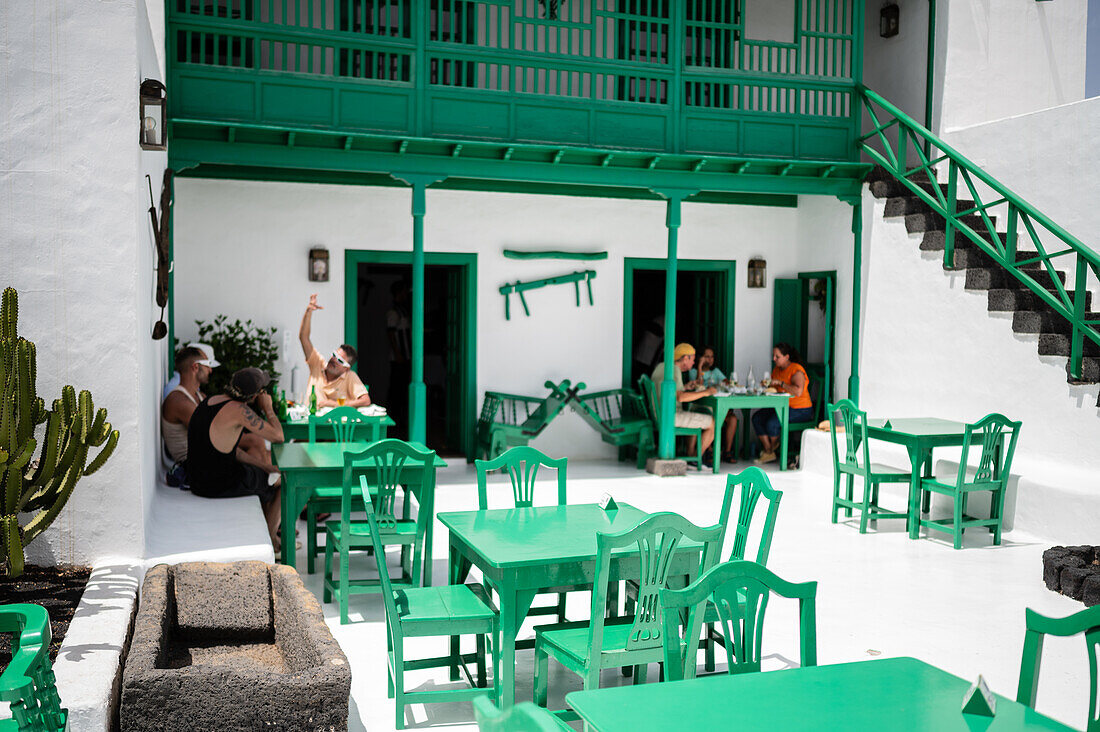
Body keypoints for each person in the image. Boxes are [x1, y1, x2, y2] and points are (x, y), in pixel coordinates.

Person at [186, 367, 286, 548]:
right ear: (255, 395)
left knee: (265, 472)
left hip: (198, 479)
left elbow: (231, 451)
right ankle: (272, 540)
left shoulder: (211, 401)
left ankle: (268, 531)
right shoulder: (239, 411)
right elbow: (278, 436)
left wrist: (264, 467)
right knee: (286, 479)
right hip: (218, 484)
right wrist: (268, 408)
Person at [299, 294, 371, 407]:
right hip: (309, 422)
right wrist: (309, 311)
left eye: (340, 360)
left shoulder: (349, 376)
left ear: (346, 368)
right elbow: (304, 338)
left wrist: (334, 403)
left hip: (333, 424)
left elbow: (365, 401)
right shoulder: (317, 364)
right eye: (334, 355)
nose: (334, 360)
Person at [652, 343, 716, 467]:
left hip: (658, 414)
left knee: (694, 415)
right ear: (685, 358)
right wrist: (706, 392)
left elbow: (670, 392)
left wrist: (686, 387)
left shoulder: (662, 366)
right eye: (692, 359)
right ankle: (694, 460)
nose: (693, 363)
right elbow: (680, 397)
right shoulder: (674, 370)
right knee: (712, 423)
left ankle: (691, 456)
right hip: (671, 416)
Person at [752, 342, 813, 465]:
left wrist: (780, 383)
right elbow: (774, 386)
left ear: (787, 357)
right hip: (782, 407)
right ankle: (769, 450)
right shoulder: (777, 369)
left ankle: (768, 452)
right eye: (773, 356)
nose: (774, 359)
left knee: (771, 423)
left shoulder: (796, 370)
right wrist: (766, 385)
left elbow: (798, 391)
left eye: (777, 356)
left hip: (800, 409)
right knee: (757, 418)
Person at [688, 345, 739, 464]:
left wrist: (727, 383)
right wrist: (700, 366)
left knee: (733, 419)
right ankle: (709, 451)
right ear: (701, 357)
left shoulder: (715, 372)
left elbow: (728, 383)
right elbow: (698, 384)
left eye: (711, 357)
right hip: (702, 408)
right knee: (711, 418)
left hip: (718, 407)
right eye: (707, 357)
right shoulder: (694, 371)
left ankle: (727, 451)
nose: (710, 360)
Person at [161, 347, 213, 463]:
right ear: (195, 367)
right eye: (207, 364)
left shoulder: (200, 396)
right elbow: (212, 435)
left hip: (206, 463)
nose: (210, 370)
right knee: (253, 443)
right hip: (193, 467)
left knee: (254, 444)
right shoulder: (179, 401)